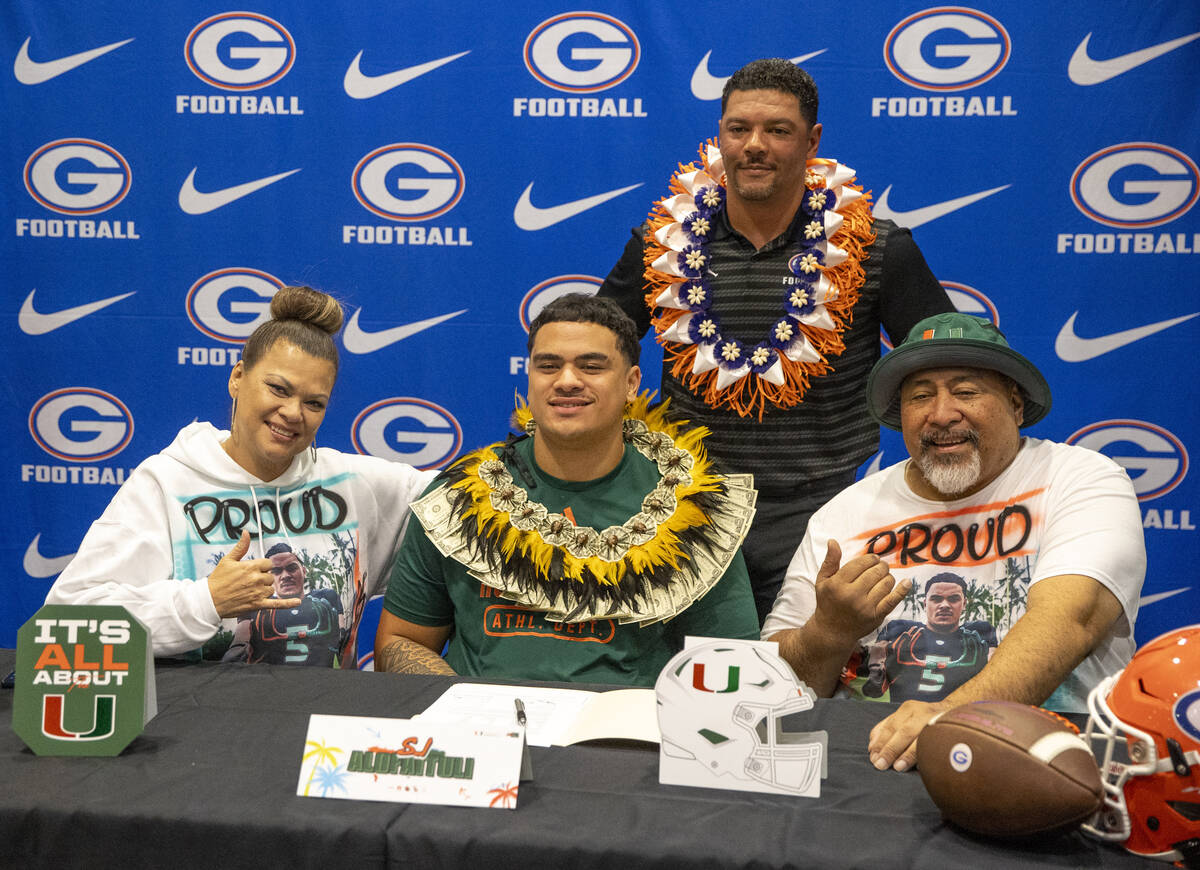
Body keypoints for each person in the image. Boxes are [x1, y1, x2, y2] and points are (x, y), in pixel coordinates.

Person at [598, 58, 954, 623]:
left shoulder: (876, 248)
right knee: (678, 681)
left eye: (777, 131)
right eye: (738, 129)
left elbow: (948, 361)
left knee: (804, 683)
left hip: (823, 511)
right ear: (719, 136)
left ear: (811, 141)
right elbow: (593, 346)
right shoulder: (660, 243)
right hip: (684, 508)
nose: (754, 145)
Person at [762, 311, 1146, 771]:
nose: (941, 414)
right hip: (870, 765)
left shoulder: (1079, 480)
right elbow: (777, 684)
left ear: (1016, 404)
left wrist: (949, 720)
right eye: (920, 396)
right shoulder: (844, 514)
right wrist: (827, 633)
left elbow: (1071, 620)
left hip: (1045, 763)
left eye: (966, 391)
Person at [375, 294, 760, 685]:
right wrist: (465, 706)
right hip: (485, 735)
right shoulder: (457, 496)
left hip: (625, 738)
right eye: (548, 366)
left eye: (591, 366)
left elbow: (731, 667)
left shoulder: (696, 508)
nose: (567, 381)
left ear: (631, 384)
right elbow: (402, 640)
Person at [46, 285, 431, 667]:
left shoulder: (354, 484)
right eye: (278, 389)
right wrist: (207, 600)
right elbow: (69, 620)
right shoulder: (167, 483)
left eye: (314, 403)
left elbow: (465, 495)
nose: (294, 412)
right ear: (237, 377)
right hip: (199, 725)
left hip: (321, 725)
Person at [860, 573, 997, 702]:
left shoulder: (978, 636)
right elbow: (873, 689)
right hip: (904, 722)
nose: (944, 605)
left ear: (964, 603)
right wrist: (879, 669)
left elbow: (996, 679)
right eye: (936, 599)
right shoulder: (902, 632)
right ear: (925, 603)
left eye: (953, 599)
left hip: (957, 723)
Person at [222, 543, 344, 666]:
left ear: (304, 571)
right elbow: (239, 643)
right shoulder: (258, 606)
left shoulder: (326, 598)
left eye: (291, 568)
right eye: (276, 571)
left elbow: (345, 643)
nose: (285, 576)